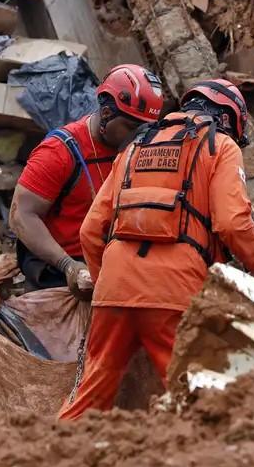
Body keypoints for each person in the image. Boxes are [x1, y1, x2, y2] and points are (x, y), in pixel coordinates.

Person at [60, 78, 254, 420]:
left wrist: (107, 287)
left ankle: (44, 460)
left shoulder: (134, 146)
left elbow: (90, 231)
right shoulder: (220, 146)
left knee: (89, 397)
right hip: (174, 292)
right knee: (199, 399)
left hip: (114, 290)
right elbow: (232, 223)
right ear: (229, 120)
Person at [9, 64, 164, 298]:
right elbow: (21, 215)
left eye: (144, 128)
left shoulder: (135, 150)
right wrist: (67, 265)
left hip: (112, 268)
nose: (137, 135)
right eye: (131, 127)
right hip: (59, 274)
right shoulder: (60, 151)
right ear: (107, 113)